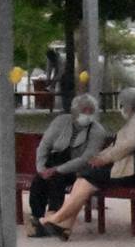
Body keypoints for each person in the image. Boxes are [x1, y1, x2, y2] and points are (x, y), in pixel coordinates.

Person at [41, 89, 135, 239]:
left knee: (87, 178)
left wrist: (104, 159)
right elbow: (116, 146)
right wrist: (98, 157)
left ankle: (56, 219)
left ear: (129, 106)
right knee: (85, 177)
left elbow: (127, 145)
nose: (121, 108)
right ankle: (64, 225)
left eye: (121, 105)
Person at [29, 93, 109, 235]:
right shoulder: (61, 122)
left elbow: (85, 159)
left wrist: (57, 170)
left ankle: (52, 218)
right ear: (75, 111)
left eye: (91, 111)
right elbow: (44, 145)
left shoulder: (97, 131)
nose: (87, 114)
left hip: (77, 169)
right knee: (39, 181)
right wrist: (41, 168)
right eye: (84, 110)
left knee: (57, 179)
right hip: (53, 162)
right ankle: (37, 218)